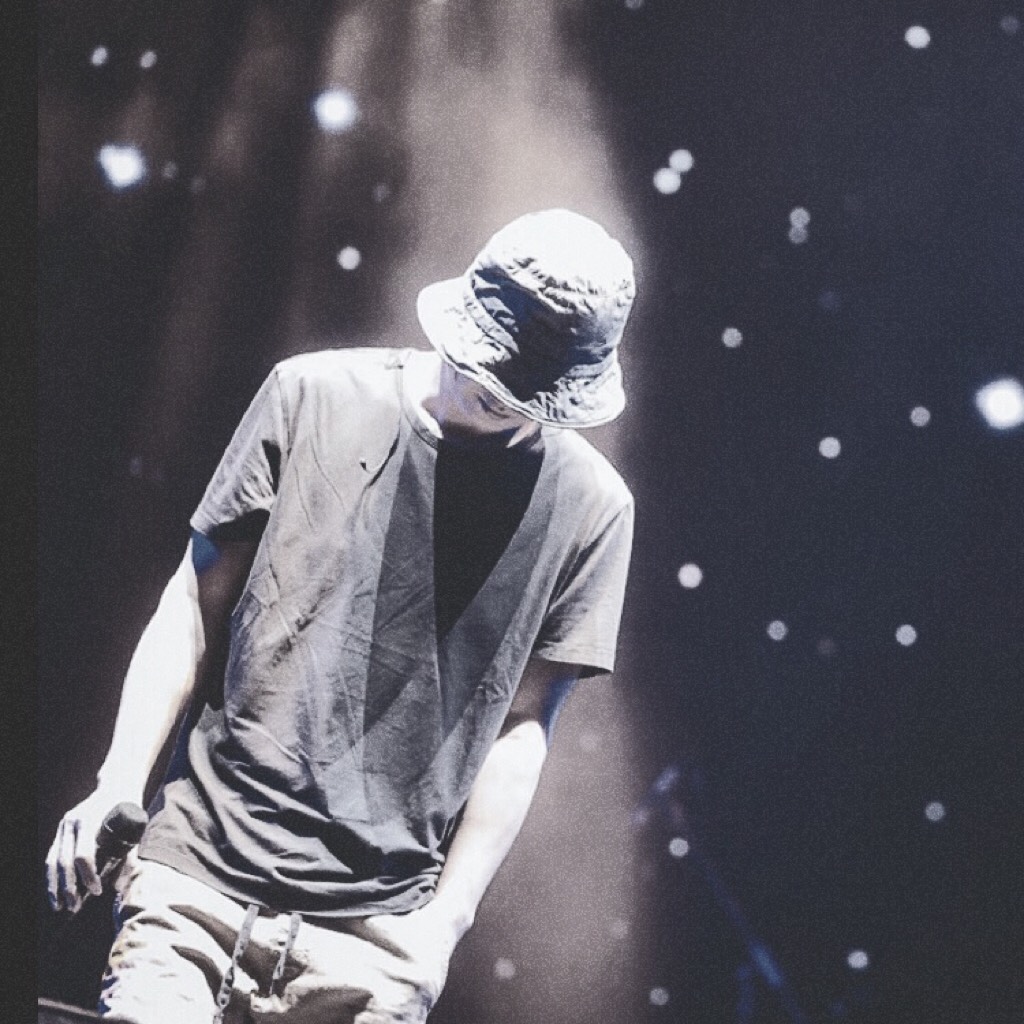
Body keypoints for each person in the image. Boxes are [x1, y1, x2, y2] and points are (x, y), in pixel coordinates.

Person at [45, 208, 636, 1024]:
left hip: (373, 946)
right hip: (196, 886)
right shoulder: (310, 394)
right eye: (492, 373)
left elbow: (524, 725)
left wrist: (443, 927)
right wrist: (118, 779)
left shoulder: (594, 507)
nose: (502, 398)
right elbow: (192, 602)